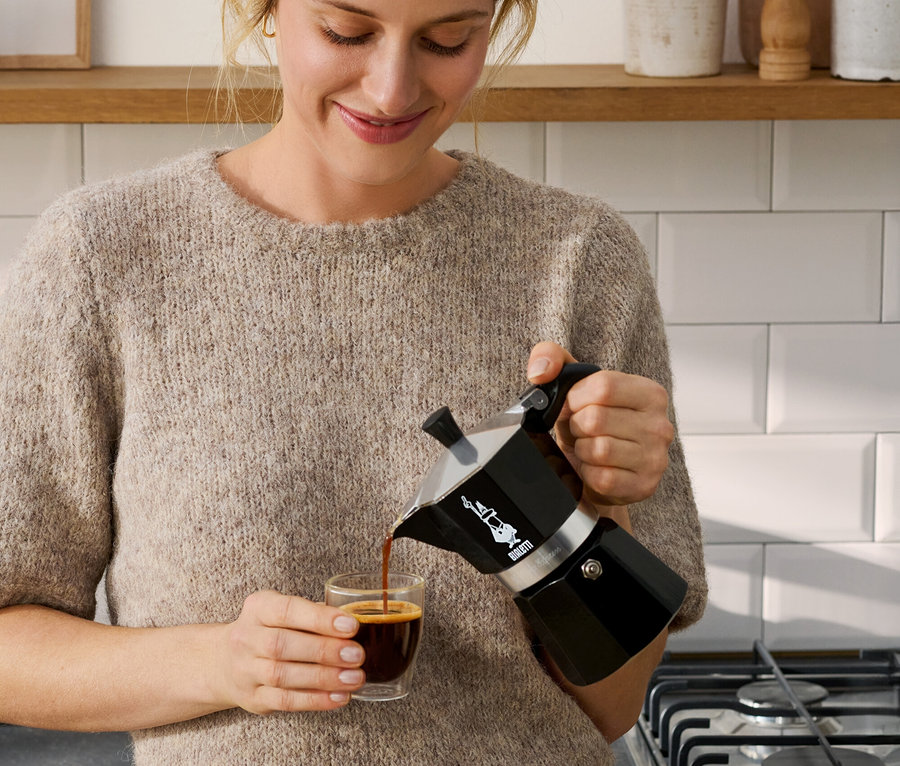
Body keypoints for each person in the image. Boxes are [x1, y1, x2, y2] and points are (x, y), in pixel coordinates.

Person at [0, 0, 707, 763]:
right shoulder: (103, 256)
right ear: (265, 13)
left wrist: (601, 506)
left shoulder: (578, 258)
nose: (391, 88)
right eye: (347, 32)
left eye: (447, 39)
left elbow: (615, 706)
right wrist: (220, 664)